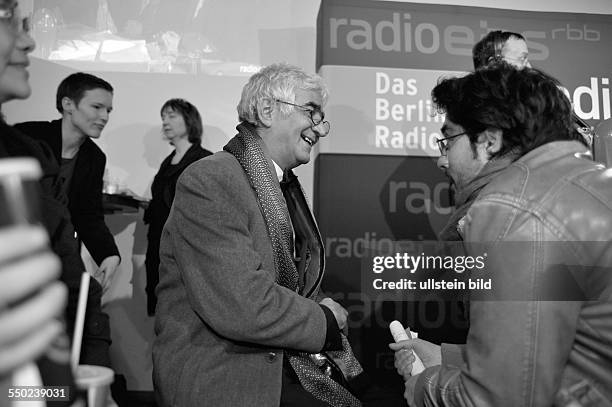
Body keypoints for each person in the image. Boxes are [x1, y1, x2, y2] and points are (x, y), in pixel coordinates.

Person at [153, 63, 405, 407]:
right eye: (311, 112)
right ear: (268, 110)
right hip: (227, 380)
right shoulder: (212, 179)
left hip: (275, 366)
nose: (320, 128)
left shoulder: (277, 185)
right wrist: (324, 319)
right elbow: (242, 304)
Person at [391, 64, 612, 406]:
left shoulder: (512, 208)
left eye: (448, 139)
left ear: (490, 140)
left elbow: (501, 397)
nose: (441, 159)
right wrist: (448, 359)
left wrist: (424, 387)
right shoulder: (590, 183)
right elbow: (561, 346)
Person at [15, 72, 121, 290]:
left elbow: (88, 215)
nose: (105, 117)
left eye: (108, 110)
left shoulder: (94, 158)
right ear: (68, 104)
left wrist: (109, 254)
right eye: (97, 107)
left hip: (55, 257)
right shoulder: (26, 136)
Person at [143, 98, 211, 316]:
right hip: (159, 243)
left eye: (172, 116)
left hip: (186, 248)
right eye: (163, 117)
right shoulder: (167, 161)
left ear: (189, 120)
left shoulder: (205, 160)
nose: (165, 122)